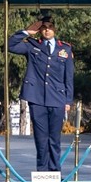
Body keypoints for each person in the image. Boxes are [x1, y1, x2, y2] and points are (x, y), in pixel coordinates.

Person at [8, 10, 74, 172]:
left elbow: (69, 77)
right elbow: (10, 45)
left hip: (57, 98)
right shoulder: (32, 45)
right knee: (41, 137)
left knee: (54, 138)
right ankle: (42, 171)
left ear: (55, 29)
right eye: (44, 27)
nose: (47, 30)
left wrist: (68, 100)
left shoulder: (64, 49)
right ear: (40, 29)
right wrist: (26, 31)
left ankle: (54, 170)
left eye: (50, 27)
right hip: (36, 98)